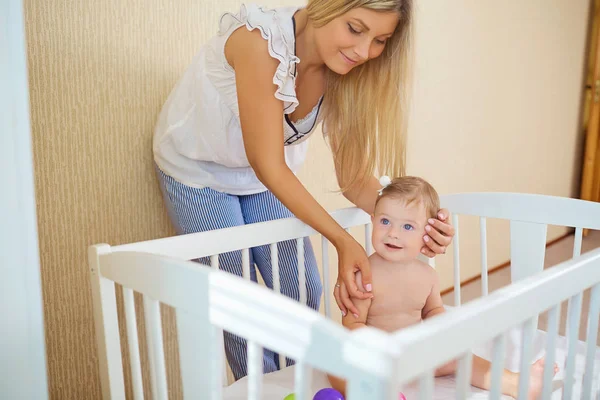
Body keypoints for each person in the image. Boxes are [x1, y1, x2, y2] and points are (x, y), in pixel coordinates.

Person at [152, 0, 455, 380]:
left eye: (380, 40)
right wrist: (345, 241)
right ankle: (260, 388)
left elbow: (353, 179)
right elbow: (268, 164)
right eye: (355, 29)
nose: (364, 52)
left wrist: (413, 225)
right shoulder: (260, 42)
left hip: (263, 176)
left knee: (303, 288)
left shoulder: (345, 70)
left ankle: (293, 382)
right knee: (239, 301)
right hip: (199, 171)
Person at [327, 176, 558, 399]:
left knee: (461, 358)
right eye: (385, 222)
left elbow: (433, 312)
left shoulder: (428, 276)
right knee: (335, 364)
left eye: (408, 226)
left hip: (416, 358)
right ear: (373, 220)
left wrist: (444, 331)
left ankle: (516, 384)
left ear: (428, 233)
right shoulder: (365, 274)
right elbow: (352, 325)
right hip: (377, 360)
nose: (393, 233)